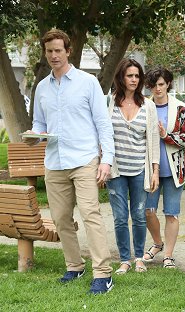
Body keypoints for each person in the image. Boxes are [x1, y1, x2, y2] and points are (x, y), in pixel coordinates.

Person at [22, 29, 115, 294]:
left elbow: (102, 124)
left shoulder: (88, 82)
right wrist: (35, 136)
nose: (53, 55)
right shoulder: (41, 87)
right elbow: (40, 123)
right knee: (61, 218)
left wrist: (106, 160)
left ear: (68, 51)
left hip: (85, 159)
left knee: (90, 215)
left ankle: (103, 274)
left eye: (58, 50)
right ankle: (75, 266)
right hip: (54, 161)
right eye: (49, 51)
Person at [106, 58, 160, 275]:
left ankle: (139, 258)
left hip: (140, 169)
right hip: (116, 171)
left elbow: (154, 139)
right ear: (121, 77)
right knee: (120, 217)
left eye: (137, 76)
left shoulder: (148, 105)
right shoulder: (109, 102)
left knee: (138, 215)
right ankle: (124, 260)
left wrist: (155, 171)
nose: (134, 80)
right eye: (130, 75)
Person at [142, 66, 185, 268]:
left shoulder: (181, 109)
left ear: (168, 84)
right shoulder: (144, 107)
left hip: (175, 171)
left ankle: (168, 255)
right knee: (148, 210)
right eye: (153, 85)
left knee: (171, 213)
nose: (157, 89)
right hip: (150, 170)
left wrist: (167, 137)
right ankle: (157, 243)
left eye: (161, 84)